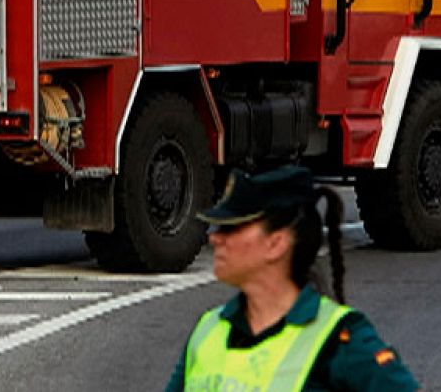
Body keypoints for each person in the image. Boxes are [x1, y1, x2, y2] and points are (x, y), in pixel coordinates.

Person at [166, 165, 418, 391]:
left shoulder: (335, 339)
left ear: (276, 243)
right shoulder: (208, 330)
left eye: (231, 228)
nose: (215, 238)